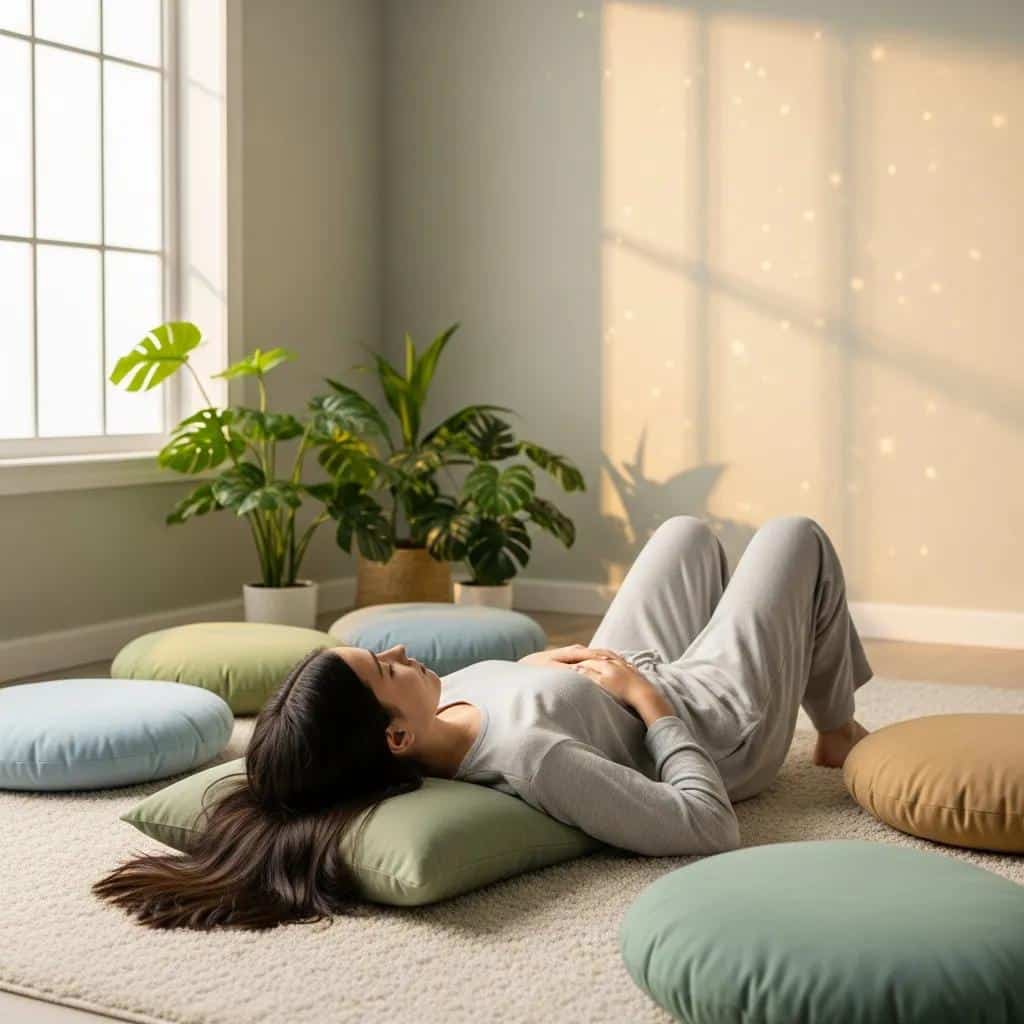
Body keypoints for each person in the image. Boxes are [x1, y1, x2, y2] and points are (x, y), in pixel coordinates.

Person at [94, 514, 873, 931]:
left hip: (622, 669)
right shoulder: (532, 760)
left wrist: (536, 668)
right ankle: (836, 730)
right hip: (710, 717)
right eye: (386, 670)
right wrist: (650, 704)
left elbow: (507, 696)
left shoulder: (436, 716)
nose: (400, 651)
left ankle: (726, 670)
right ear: (395, 738)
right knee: (794, 537)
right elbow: (707, 824)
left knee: (686, 534)